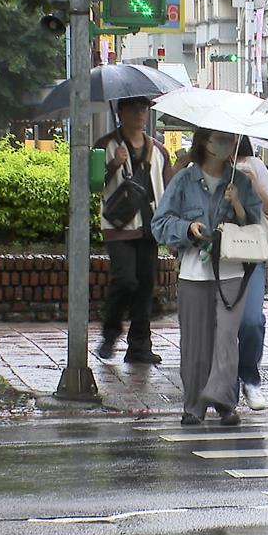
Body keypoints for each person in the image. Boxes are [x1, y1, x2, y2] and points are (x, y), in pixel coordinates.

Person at [151, 129, 262, 426]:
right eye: (220, 138)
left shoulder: (240, 181)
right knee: (196, 341)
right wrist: (188, 228)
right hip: (194, 271)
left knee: (226, 337)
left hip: (231, 271)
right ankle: (194, 405)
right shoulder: (184, 180)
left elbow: (255, 224)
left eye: (231, 139)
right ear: (205, 142)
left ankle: (225, 400)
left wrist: (237, 203)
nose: (227, 144)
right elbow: (160, 223)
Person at [95, 96, 174, 364]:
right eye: (133, 108)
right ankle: (110, 333)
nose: (140, 113)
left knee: (145, 286)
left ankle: (140, 345)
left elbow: (169, 190)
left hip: (150, 225)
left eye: (143, 108)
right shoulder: (105, 146)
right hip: (119, 224)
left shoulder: (159, 151)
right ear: (121, 112)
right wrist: (113, 165)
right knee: (125, 279)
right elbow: (90, 183)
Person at [234, 136, 268, 411]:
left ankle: (250, 378)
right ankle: (225, 388)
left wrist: (252, 187)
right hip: (213, 258)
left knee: (251, 320)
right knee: (220, 327)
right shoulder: (198, 169)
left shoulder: (254, 166)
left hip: (250, 253)